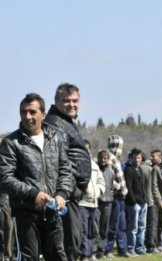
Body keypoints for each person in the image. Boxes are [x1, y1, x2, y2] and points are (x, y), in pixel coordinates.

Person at [0, 93, 73, 260]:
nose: (27, 116)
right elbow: (4, 178)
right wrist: (33, 194)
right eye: (23, 112)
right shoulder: (12, 142)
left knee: (58, 256)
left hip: (53, 212)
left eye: (32, 112)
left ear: (43, 115)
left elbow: (66, 170)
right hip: (25, 212)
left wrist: (62, 193)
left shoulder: (56, 138)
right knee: (28, 258)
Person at [44, 83, 92, 261]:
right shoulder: (56, 123)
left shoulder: (65, 121)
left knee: (72, 243)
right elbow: (59, 162)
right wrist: (67, 191)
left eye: (75, 101)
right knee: (66, 247)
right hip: (64, 197)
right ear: (56, 101)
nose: (72, 104)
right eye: (66, 101)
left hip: (71, 194)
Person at [104, 135, 131, 258]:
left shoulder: (117, 160)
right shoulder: (110, 159)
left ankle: (123, 249)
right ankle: (108, 249)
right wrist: (118, 186)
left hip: (121, 197)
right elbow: (107, 177)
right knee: (113, 225)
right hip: (114, 196)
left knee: (122, 225)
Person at [79, 140, 105, 261]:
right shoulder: (77, 162)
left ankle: (90, 254)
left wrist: (99, 191)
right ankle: (84, 254)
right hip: (82, 203)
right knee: (83, 230)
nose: (86, 150)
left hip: (94, 203)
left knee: (92, 230)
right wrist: (81, 192)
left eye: (88, 148)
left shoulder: (94, 165)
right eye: (84, 148)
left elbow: (101, 180)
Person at [124, 148, 150, 256]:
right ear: (131, 158)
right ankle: (131, 248)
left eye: (138, 158)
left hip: (143, 202)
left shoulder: (140, 169)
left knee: (142, 227)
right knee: (133, 228)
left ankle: (140, 247)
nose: (137, 160)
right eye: (135, 158)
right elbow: (128, 188)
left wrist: (145, 200)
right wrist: (134, 202)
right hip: (134, 204)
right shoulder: (128, 170)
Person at [95, 149, 116, 259]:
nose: (103, 160)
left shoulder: (111, 172)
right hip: (97, 202)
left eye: (105, 158)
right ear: (98, 158)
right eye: (101, 158)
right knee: (95, 227)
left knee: (104, 227)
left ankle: (101, 250)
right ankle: (93, 250)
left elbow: (113, 186)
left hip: (108, 202)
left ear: (108, 160)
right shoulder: (94, 170)